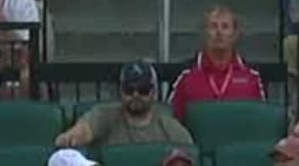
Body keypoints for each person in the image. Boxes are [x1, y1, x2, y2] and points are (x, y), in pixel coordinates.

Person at [55, 62, 195, 150]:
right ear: (120, 90)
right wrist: (71, 138)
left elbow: (189, 154)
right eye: (129, 89)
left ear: (153, 92)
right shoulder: (105, 114)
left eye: (143, 90)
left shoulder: (168, 126)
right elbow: (84, 130)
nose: (136, 95)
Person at [170, 5, 267, 121]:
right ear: (204, 33)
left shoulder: (252, 77)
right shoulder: (185, 76)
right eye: (213, 26)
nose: (219, 32)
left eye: (225, 27)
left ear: (235, 34)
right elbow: (171, 123)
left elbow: (261, 122)